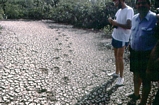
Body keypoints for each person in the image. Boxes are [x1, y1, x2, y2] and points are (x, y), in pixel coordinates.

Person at [127, 0, 159, 104]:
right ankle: (136, 94)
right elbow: (133, 34)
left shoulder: (155, 19)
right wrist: (130, 45)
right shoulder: (134, 18)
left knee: (146, 80)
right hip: (135, 53)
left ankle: (143, 102)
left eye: (144, 3)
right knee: (136, 75)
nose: (141, 5)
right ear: (136, 5)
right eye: (139, 3)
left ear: (149, 5)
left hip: (147, 55)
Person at [108, 0, 134, 85]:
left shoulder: (129, 10)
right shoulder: (119, 10)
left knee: (120, 57)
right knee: (116, 55)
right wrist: (112, 22)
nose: (114, 3)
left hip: (123, 38)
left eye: (115, 1)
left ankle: (121, 77)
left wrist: (116, 23)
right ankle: (116, 73)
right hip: (115, 35)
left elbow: (129, 26)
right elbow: (117, 23)